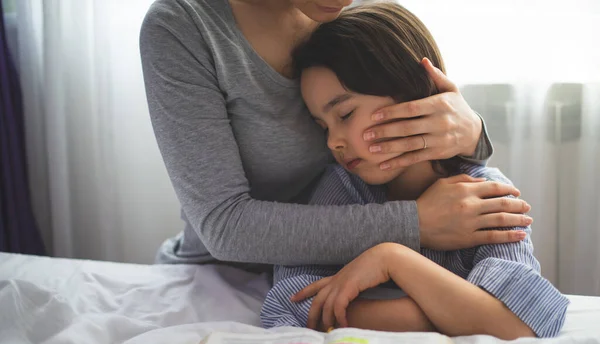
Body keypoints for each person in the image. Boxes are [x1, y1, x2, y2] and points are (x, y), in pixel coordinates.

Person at [139, 0, 531, 269]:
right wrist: (417, 224)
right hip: (225, 277)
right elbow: (224, 227)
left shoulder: (350, 13)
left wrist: (470, 130)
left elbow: (414, 111)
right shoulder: (184, 27)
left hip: (355, 265)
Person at [260, 2, 569, 339]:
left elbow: (518, 322)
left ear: (413, 88)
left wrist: (392, 259)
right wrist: (455, 312)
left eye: (345, 115)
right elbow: (291, 303)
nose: (334, 142)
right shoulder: (343, 188)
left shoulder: (485, 196)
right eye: (323, 127)